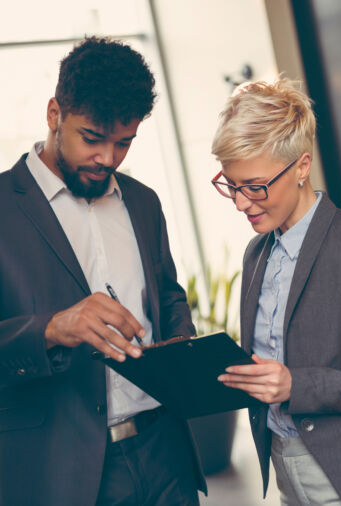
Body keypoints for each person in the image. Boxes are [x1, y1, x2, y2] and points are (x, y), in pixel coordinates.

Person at [0, 37, 205, 505]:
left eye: (124, 143)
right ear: (55, 114)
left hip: (164, 452)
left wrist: (180, 344)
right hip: (61, 471)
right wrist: (50, 329)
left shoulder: (144, 201)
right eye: (92, 139)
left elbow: (168, 294)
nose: (108, 159)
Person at [211, 79, 341, 506]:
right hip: (286, 469)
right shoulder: (256, 253)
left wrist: (295, 385)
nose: (241, 203)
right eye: (231, 186)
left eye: (255, 186)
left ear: (302, 167)